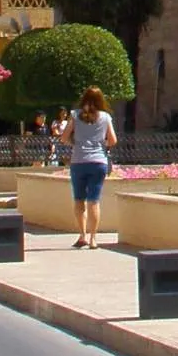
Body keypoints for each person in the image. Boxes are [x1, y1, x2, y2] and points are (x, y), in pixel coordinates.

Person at [57, 87, 117, 248]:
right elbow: (113, 140)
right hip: (98, 162)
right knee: (94, 201)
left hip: (79, 161)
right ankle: (93, 239)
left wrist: (75, 143)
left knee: (79, 200)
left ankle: (82, 235)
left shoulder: (75, 115)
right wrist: (101, 144)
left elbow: (63, 138)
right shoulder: (105, 117)